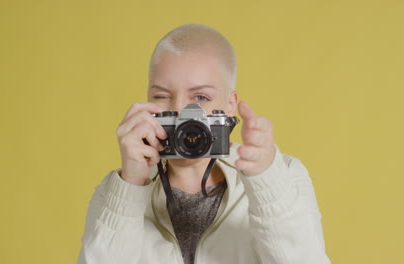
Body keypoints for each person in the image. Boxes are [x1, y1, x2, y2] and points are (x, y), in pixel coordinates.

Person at [77, 23, 331, 264]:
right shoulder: (115, 190)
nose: (179, 110)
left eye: (200, 97)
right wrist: (129, 188)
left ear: (229, 105)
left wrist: (266, 181)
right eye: (162, 96)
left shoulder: (284, 175)